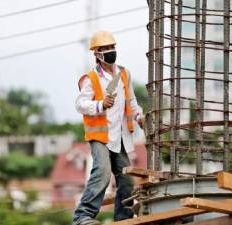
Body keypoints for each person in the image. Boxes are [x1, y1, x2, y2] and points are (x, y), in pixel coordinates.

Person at [73, 30, 143, 225]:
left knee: (127, 179)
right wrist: (100, 105)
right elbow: (80, 104)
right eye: (105, 49)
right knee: (102, 173)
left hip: (119, 136)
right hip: (100, 136)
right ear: (96, 54)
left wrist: (138, 116)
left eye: (112, 47)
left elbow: (131, 99)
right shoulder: (91, 79)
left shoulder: (123, 74)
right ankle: (82, 217)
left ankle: (124, 219)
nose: (110, 51)